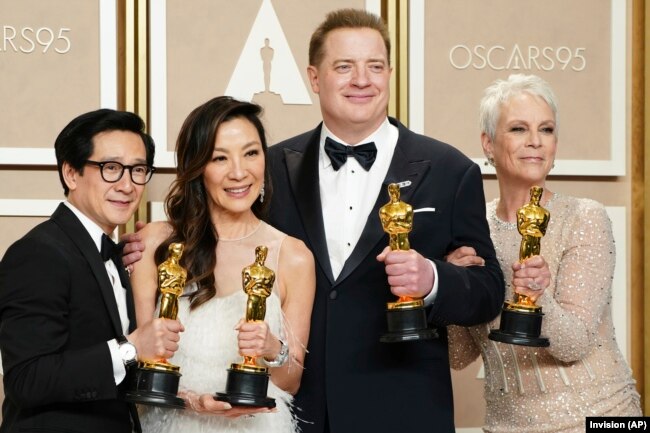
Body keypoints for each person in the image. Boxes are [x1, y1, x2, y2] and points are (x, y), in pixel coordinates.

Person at [266, 8, 505, 433]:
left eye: (374, 66)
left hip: (404, 408)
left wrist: (433, 279)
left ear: (390, 73)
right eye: (344, 67)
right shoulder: (269, 168)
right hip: (296, 412)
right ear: (315, 77)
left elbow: (488, 292)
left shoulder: (449, 169)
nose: (362, 80)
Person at [446, 73, 642, 432]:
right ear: (488, 143)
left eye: (547, 129)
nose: (535, 141)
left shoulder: (584, 217)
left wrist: (538, 298)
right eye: (519, 129)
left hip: (599, 417)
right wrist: (452, 287)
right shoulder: (471, 231)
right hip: (506, 425)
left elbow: (574, 344)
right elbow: (459, 356)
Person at [130, 96, 315, 433]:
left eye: (251, 153)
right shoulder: (155, 244)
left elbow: (290, 383)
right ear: (197, 166)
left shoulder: (293, 255)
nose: (239, 172)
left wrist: (273, 349)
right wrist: (191, 400)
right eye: (220, 158)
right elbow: (144, 364)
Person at [0, 109, 183, 433]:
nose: (127, 185)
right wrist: (130, 348)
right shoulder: (38, 253)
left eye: (138, 170)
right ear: (71, 173)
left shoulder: (119, 255)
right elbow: (27, 380)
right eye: (111, 168)